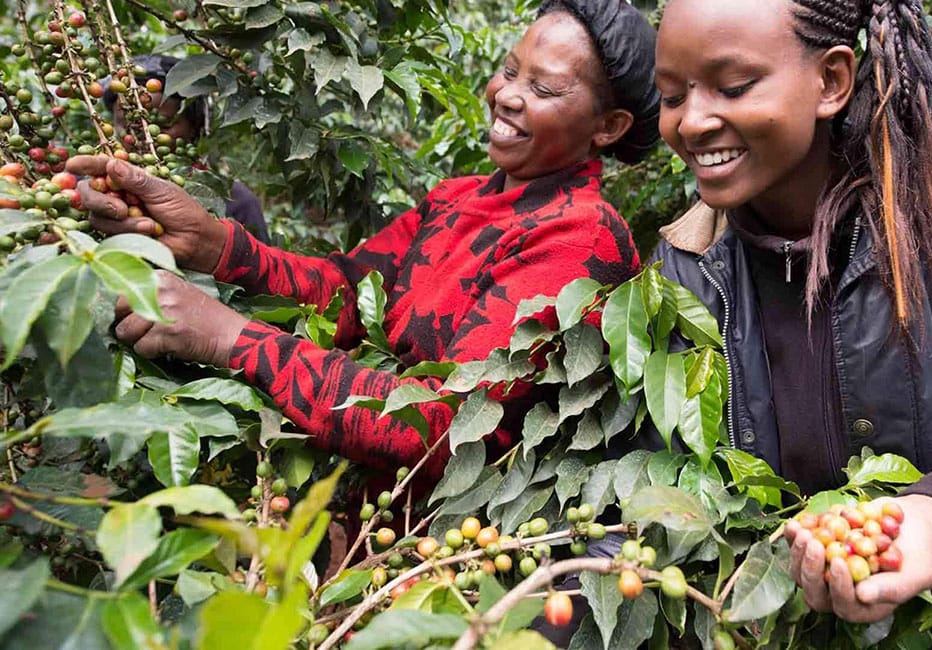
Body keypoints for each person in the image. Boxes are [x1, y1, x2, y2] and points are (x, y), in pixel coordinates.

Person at [68, 0, 661, 483]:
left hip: (442, 562)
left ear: (607, 127)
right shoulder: (457, 198)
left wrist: (231, 337)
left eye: (545, 89)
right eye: (510, 72)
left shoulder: (580, 238)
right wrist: (212, 241)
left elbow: (443, 428)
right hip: (359, 527)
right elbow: (348, 291)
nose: (507, 95)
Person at [649, 0, 932, 643]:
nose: (691, 121)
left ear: (832, 80)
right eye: (672, 96)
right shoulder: (683, 272)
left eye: (734, 86)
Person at [101, 54, 271, 244]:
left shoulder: (238, 202)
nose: (144, 138)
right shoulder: (101, 195)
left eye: (163, 125)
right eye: (129, 126)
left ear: (194, 126)